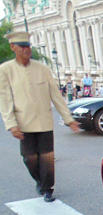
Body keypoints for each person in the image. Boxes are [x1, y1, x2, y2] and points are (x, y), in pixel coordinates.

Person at [0, 32, 80, 202]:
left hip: (44, 122)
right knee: (29, 158)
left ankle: (47, 188)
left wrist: (69, 119)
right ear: (13, 47)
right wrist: (11, 124)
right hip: (23, 124)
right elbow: (5, 99)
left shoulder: (42, 69)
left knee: (47, 158)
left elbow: (56, 96)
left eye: (28, 46)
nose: (26, 50)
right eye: (22, 47)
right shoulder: (6, 70)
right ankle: (40, 181)